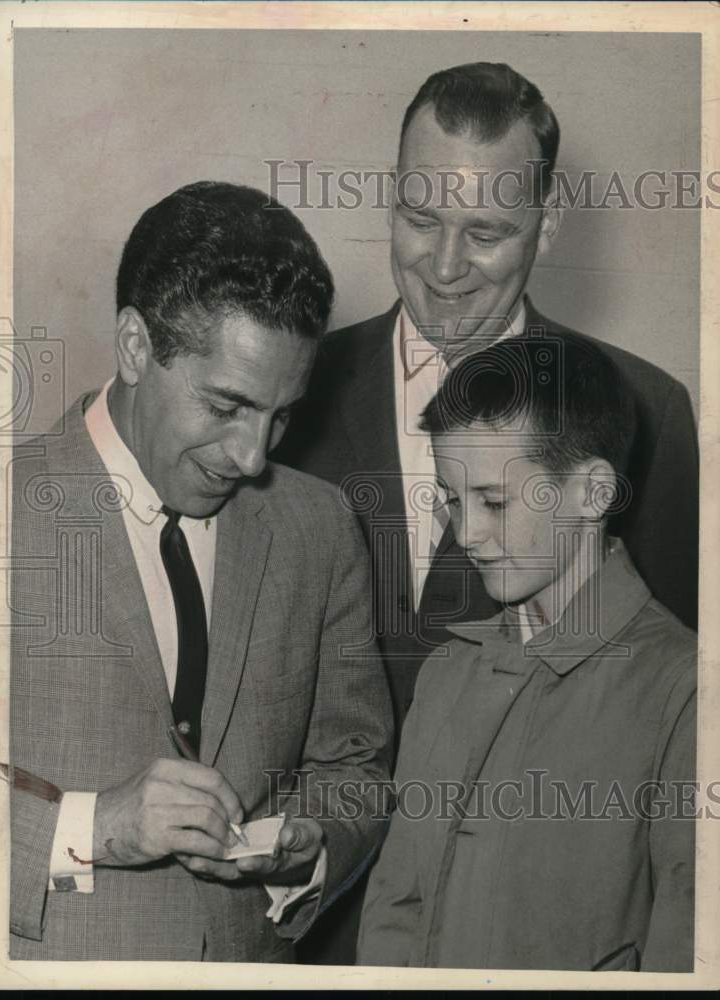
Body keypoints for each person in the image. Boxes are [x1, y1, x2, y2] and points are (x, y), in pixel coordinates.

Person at [278, 63, 699, 963]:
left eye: (485, 232)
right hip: (300, 931)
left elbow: (663, 714)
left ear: (546, 230)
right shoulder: (281, 399)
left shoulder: (648, 411)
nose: (442, 266)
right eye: (420, 219)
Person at [8, 181, 393, 962]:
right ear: (136, 347)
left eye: (280, 415)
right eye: (225, 406)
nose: (254, 457)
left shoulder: (318, 527)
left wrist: (311, 846)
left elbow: (356, 764)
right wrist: (97, 828)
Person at [357, 334, 696, 971]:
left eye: (495, 502)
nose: (468, 534)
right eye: (453, 502)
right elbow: (394, 911)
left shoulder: (684, 693)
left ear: (594, 493)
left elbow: (684, 957)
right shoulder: (449, 673)